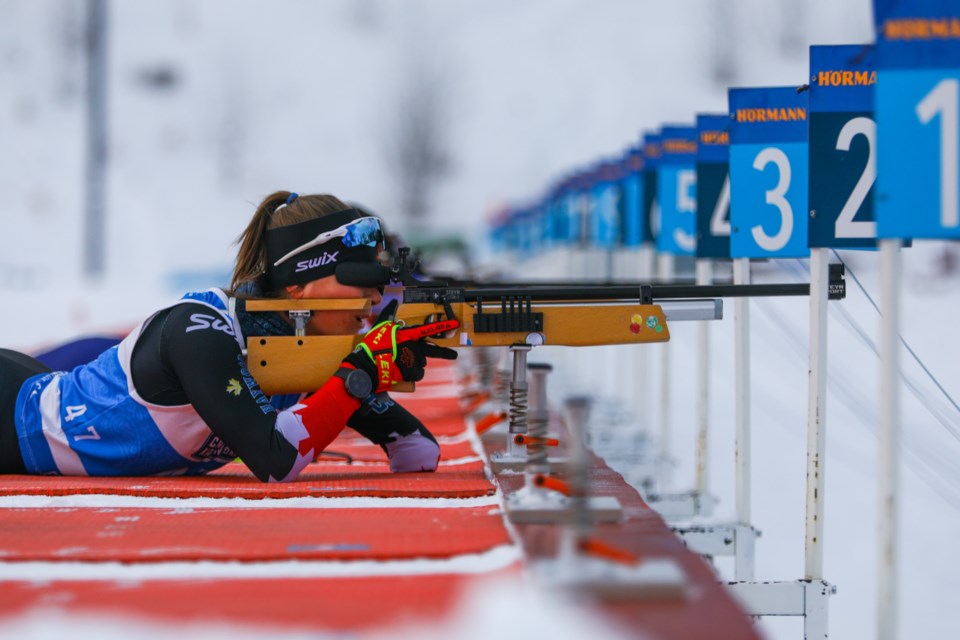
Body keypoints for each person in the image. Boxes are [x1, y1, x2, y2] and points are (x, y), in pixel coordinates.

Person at [0, 191, 458, 481]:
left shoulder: (303, 354)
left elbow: (417, 453)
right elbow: (277, 461)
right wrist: (357, 376)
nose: (371, 297)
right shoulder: (201, 329)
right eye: (358, 280)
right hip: (13, 419)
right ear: (297, 286)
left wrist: (374, 375)